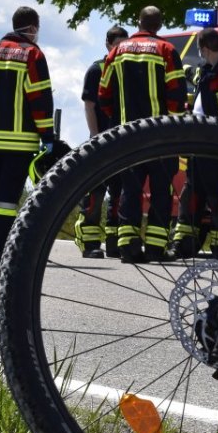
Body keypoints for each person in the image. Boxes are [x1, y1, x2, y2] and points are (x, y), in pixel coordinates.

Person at [98, 6, 186, 263]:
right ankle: (157, 249)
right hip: (160, 136)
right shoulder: (167, 50)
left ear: (138, 21)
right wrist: (173, 128)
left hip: (127, 135)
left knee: (130, 190)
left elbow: (104, 94)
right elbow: (177, 96)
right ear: (160, 24)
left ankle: (128, 247)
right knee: (161, 191)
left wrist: (118, 120)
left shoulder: (117, 51)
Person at [0, 6, 55, 263]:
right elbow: (39, 97)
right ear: (32, 28)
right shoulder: (32, 54)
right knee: (6, 200)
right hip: (20, 141)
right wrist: (47, 134)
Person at [167, 27, 218, 260]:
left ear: (203, 49)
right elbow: (191, 73)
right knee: (191, 194)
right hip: (199, 146)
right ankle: (183, 244)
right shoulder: (207, 71)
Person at [76, 24, 129, 258]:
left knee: (119, 193)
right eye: (118, 45)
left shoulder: (127, 68)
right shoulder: (97, 69)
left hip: (122, 140)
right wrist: (95, 136)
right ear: (108, 44)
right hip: (100, 139)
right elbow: (89, 105)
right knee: (95, 195)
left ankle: (114, 242)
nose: (122, 50)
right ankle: (90, 244)